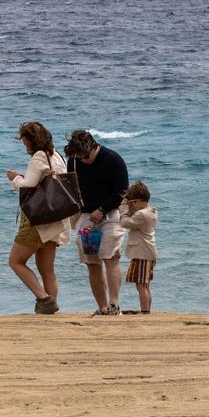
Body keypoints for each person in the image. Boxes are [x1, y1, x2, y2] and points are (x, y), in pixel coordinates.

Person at [5, 121, 71, 315]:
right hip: (56, 219)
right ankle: (50, 311)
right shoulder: (57, 156)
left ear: (32, 140)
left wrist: (15, 179)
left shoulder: (39, 156)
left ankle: (44, 299)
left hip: (38, 219)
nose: (25, 145)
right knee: (47, 269)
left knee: (15, 261)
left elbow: (30, 184)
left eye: (25, 142)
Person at [64, 129, 129, 316]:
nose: (84, 160)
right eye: (79, 157)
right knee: (91, 262)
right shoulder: (74, 161)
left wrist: (102, 210)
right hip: (85, 217)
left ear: (94, 146)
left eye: (86, 156)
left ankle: (114, 304)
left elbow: (122, 190)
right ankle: (102, 307)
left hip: (111, 215)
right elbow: (71, 187)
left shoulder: (113, 159)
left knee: (110, 256)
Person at [119, 180, 158, 314]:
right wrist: (130, 204)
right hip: (147, 252)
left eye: (133, 202)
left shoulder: (142, 214)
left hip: (143, 253)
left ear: (140, 201)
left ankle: (145, 311)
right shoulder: (151, 210)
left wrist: (123, 209)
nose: (132, 205)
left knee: (141, 284)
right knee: (144, 284)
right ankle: (146, 309)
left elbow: (125, 223)